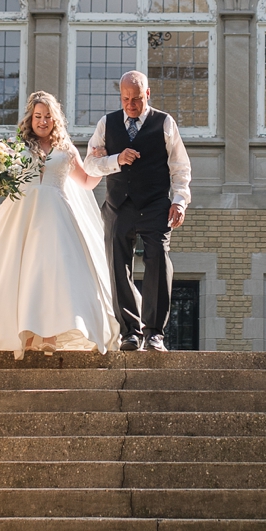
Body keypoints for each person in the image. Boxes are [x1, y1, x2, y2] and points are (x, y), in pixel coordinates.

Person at [0, 91, 119, 358]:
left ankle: (50, 335)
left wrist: (101, 163)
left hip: (57, 215)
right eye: (38, 116)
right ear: (31, 118)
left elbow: (85, 182)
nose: (42, 121)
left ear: (55, 119)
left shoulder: (66, 150)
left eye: (48, 116)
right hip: (21, 214)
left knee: (54, 273)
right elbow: (3, 180)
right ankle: (23, 336)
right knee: (19, 271)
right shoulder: (16, 147)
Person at [86, 69, 192, 352]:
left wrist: (179, 200)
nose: (131, 105)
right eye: (125, 99)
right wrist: (116, 159)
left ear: (147, 94)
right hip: (118, 206)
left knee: (157, 259)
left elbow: (180, 166)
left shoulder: (165, 123)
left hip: (156, 205)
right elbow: (89, 165)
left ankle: (154, 333)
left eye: (136, 99)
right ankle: (129, 333)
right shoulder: (106, 124)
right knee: (118, 267)